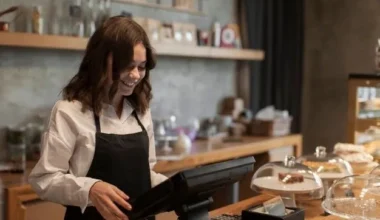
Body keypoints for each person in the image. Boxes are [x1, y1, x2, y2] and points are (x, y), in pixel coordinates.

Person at [28, 16, 168, 220]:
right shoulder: (69, 112)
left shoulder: (141, 111)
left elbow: (145, 174)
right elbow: (45, 179)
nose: (136, 75)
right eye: (128, 66)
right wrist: (90, 189)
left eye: (142, 66)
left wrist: (177, 189)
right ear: (101, 62)